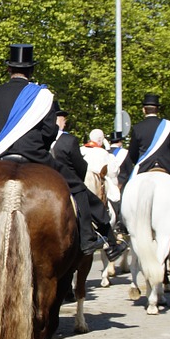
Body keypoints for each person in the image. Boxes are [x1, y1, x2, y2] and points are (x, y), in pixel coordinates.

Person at [0, 44, 125, 260]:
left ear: (9, 69)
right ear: (32, 71)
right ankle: (91, 239)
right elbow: (49, 132)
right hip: (36, 157)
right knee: (78, 189)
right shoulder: (43, 96)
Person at [51, 105, 125, 258]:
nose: (64, 122)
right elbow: (80, 166)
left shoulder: (39, 138)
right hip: (68, 183)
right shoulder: (68, 140)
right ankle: (102, 243)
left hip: (44, 181)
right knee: (95, 205)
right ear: (57, 119)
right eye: (63, 119)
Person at [118, 93, 170, 232]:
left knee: (125, 192)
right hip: (166, 166)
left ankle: (121, 225)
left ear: (143, 110)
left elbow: (133, 153)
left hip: (144, 167)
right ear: (157, 110)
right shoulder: (168, 125)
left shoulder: (137, 127)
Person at [81, 128, 119, 217]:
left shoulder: (80, 150)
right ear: (100, 140)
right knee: (114, 198)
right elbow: (113, 172)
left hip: (82, 184)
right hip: (99, 184)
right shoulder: (103, 153)